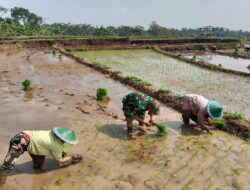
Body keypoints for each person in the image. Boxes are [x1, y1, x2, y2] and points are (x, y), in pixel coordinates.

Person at [0, 127, 83, 186]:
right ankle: (1, 183)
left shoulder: (51, 133)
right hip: (20, 141)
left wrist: (62, 152)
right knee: (7, 166)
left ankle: (36, 167)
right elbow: (59, 160)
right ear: (64, 140)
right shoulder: (56, 146)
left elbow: (52, 145)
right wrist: (72, 158)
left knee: (38, 165)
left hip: (27, 138)